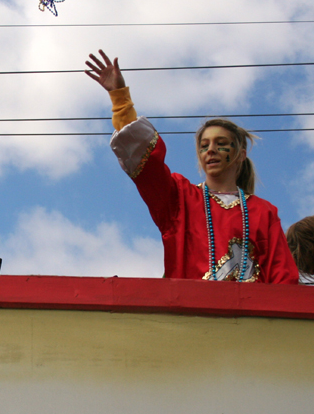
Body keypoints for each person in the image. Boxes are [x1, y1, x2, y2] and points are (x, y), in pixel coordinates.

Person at [85, 50, 298, 283]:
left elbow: (283, 277)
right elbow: (148, 168)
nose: (211, 150)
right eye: (204, 145)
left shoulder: (263, 212)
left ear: (240, 154)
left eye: (221, 144)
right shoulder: (180, 199)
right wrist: (120, 99)